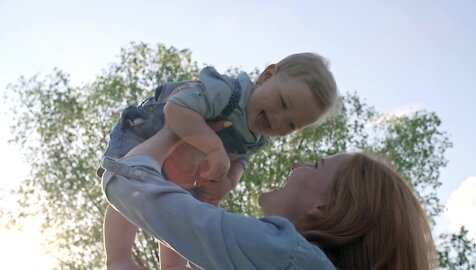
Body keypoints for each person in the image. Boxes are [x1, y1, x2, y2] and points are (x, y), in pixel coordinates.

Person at [100, 53, 339, 269]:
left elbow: (241, 161)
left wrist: (228, 182)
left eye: (291, 125)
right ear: (267, 76)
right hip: (148, 132)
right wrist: (213, 147)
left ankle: (173, 266)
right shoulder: (227, 92)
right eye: (283, 103)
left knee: (185, 210)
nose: (278, 120)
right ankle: (119, 259)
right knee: (127, 183)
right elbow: (176, 108)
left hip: (187, 170)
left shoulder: (258, 137)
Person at [102, 123, 437, 270]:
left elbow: (127, 184)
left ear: (326, 206)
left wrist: (174, 132)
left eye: (316, 164)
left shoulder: (284, 256)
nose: (297, 163)